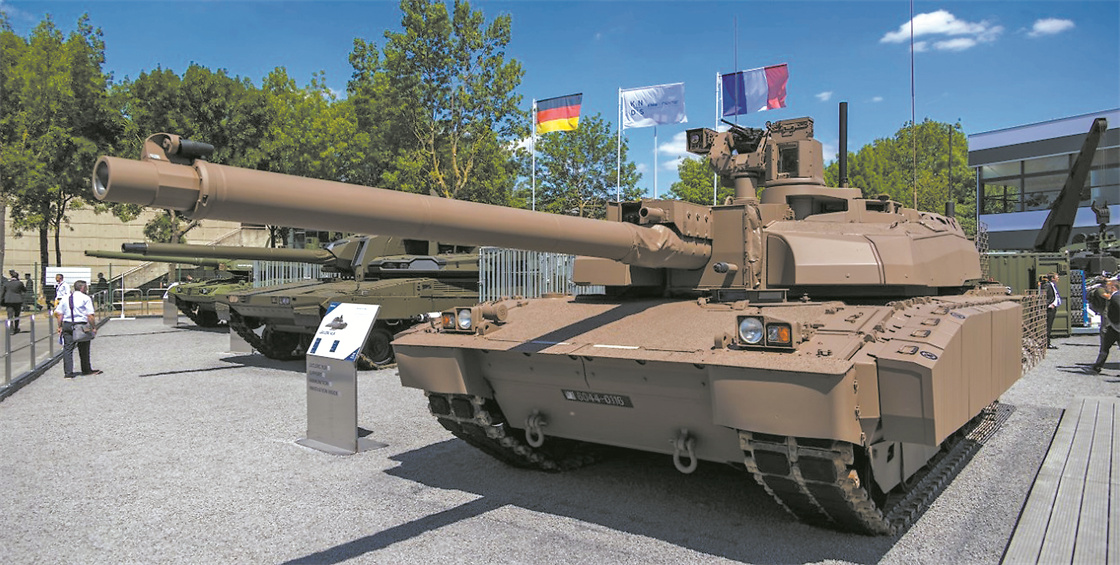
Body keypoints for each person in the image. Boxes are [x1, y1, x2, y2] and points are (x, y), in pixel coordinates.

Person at [54, 280, 101, 378]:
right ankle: (86, 369)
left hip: (67, 324)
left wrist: (59, 326)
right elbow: (90, 315)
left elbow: (59, 314)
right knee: (84, 348)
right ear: (82, 288)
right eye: (86, 287)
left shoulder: (65, 298)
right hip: (81, 325)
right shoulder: (85, 298)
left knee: (67, 349)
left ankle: (68, 372)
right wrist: (94, 327)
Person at [1092, 279, 1120, 374]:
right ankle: (1097, 365)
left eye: (1108, 287)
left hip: (1115, 327)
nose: (1106, 289)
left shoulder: (1115, 297)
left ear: (1113, 287)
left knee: (1105, 347)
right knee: (1105, 347)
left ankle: (1098, 366)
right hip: (1114, 327)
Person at [2, 269, 27, 334]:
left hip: (9, 301)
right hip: (17, 300)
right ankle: (16, 328)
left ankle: (11, 329)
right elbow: (24, 290)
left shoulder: (6, 283)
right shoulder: (19, 283)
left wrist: (2, 300)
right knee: (17, 315)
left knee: (10, 315)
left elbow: (2, 292)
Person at [1044, 272, 1061, 349]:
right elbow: (1044, 296)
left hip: (1053, 308)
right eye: (1057, 277)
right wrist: (1048, 304)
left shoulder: (1053, 285)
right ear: (1053, 278)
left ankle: (1048, 342)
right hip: (1049, 308)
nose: (1058, 279)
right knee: (1048, 326)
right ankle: (1047, 343)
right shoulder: (1047, 285)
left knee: (1050, 326)